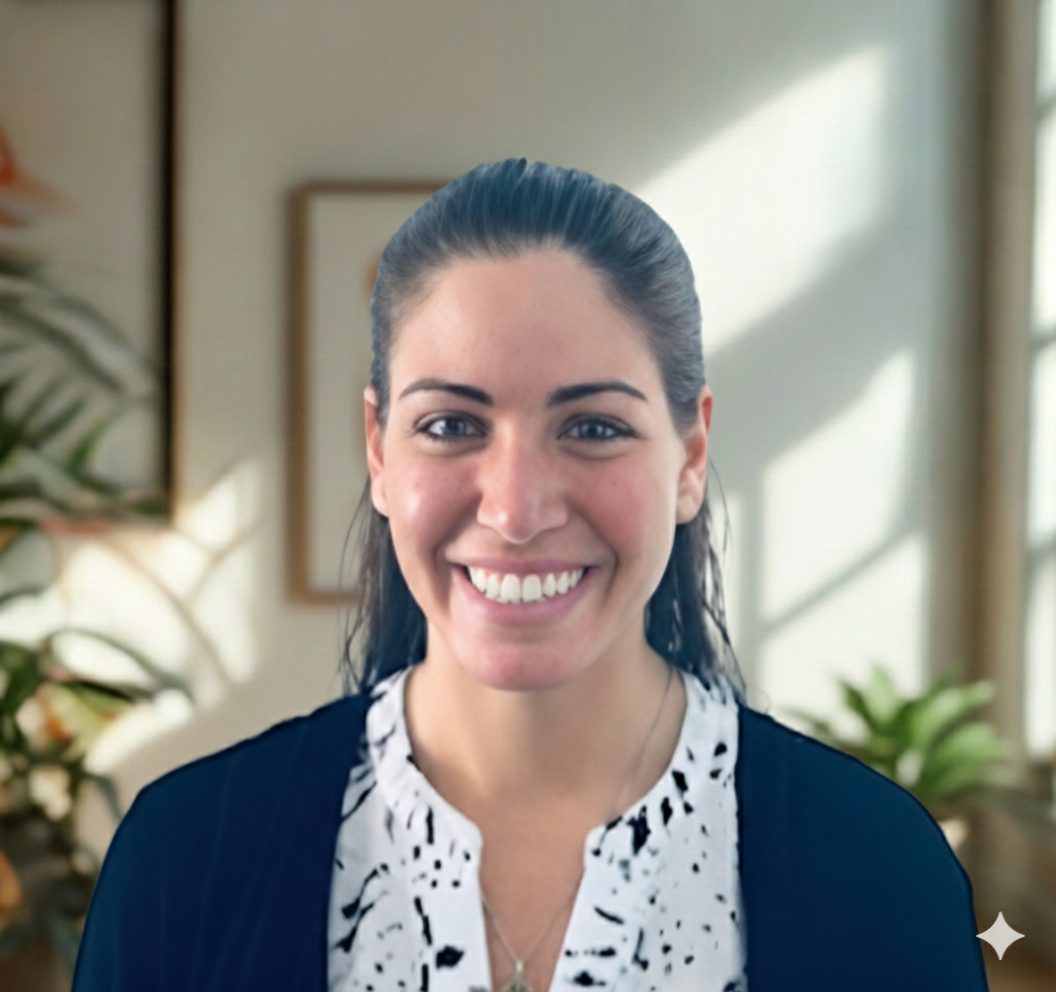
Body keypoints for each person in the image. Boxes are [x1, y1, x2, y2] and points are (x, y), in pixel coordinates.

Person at [71, 159, 989, 992]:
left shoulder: (882, 872)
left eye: (592, 427)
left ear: (690, 455)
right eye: (450, 425)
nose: (515, 511)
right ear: (379, 452)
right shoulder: (181, 859)